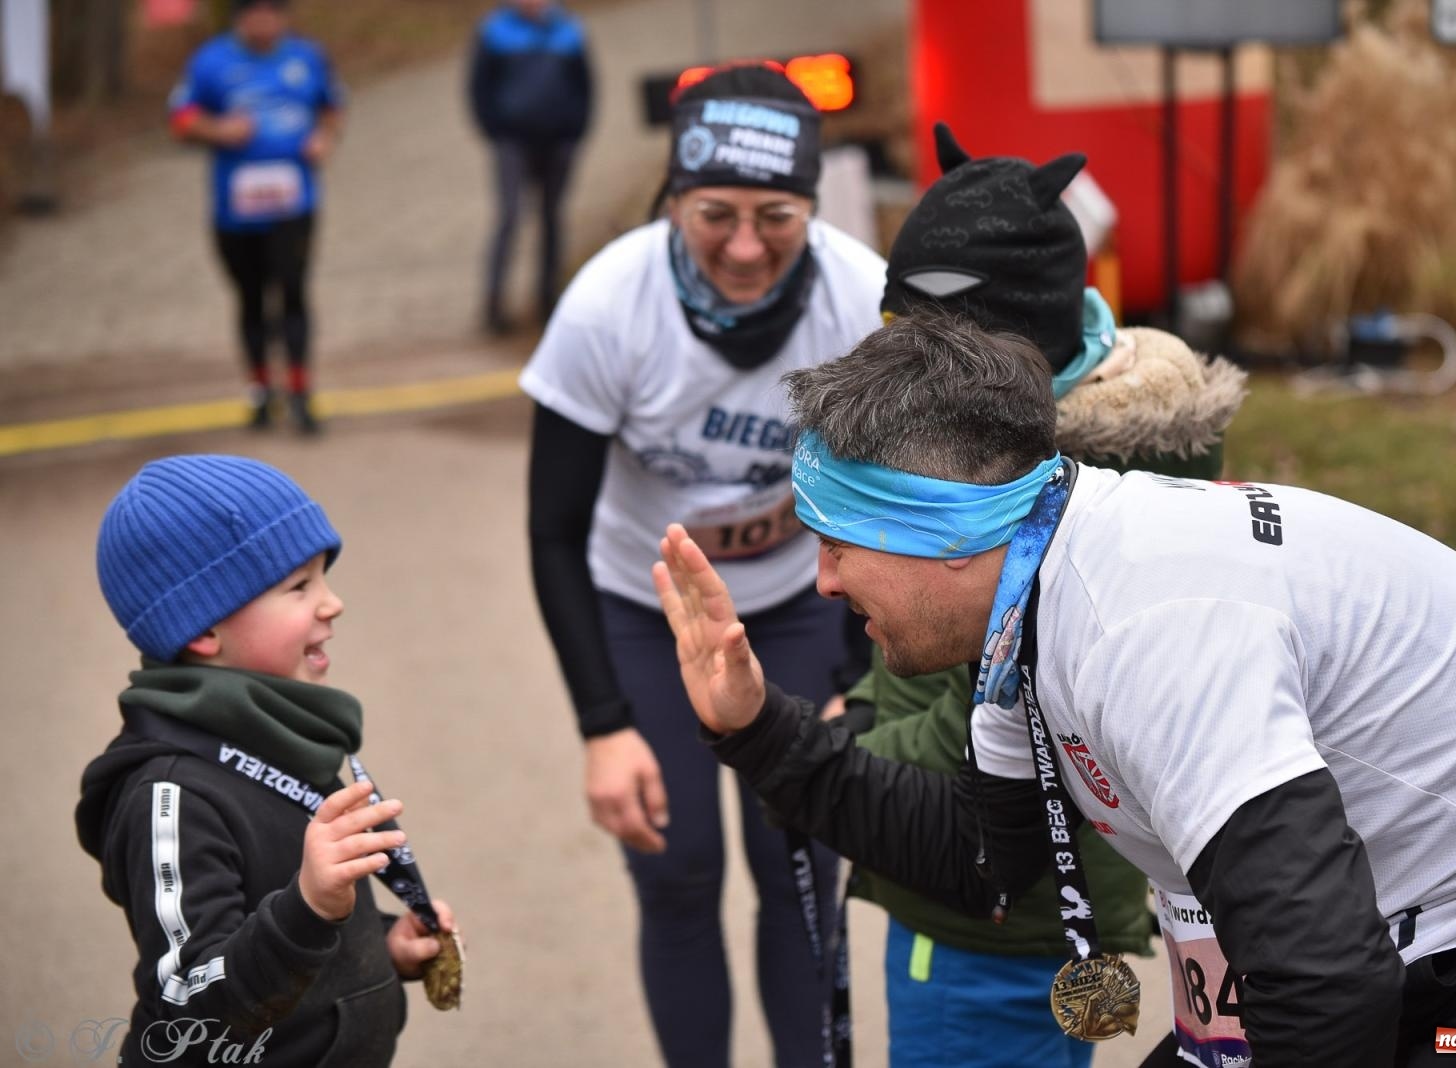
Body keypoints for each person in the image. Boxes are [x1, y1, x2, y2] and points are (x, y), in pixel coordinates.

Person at [654, 312, 1456, 1067]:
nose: (822, 582)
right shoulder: (1037, 579)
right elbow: (982, 855)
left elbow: (1326, 982)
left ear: (937, 535)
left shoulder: (1146, 631)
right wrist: (755, 729)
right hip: (1405, 938)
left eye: (838, 543)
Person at [834, 124, 1248, 1068]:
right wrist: (863, 699)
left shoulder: (1034, 494)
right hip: (1062, 911)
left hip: (984, 923)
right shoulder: (1065, 451)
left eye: (919, 333)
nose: (893, 355)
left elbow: (979, 719)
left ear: (1002, 341)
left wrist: (832, 759)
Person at [519, 63, 886, 1067]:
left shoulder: (857, 296)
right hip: (646, 613)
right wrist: (603, 728)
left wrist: (859, 677)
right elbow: (553, 530)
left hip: (797, 610)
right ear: (672, 200)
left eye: (776, 215)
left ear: (812, 204)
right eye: (713, 212)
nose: (742, 245)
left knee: (798, 866)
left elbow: (883, 502)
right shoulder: (607, 306)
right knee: (678, 870)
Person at [76, 454, 459, 1067]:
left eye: (323, 578)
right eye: (299, 586)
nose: (332, 603)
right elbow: (184, 997)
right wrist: (307, 909)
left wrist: (381, 943)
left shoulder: (276, 731)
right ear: (204, 631)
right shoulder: (169, 794)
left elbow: (284, 924)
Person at [169, 0, 344, 434]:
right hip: (236, 208)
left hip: (294, 201)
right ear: (239, 18)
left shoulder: (307, 57)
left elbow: (332, 107)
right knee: (250, 298)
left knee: (293, 293)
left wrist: (324, 138)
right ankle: (261, 392)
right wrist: (218, 130)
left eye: (273, 12)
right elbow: (181, 117)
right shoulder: (210, 61)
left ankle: (302, 394)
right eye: (254, 13)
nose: (264, 22)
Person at [468, 0, 593, 333]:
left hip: (558, 142)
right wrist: (495, 130)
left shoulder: (568, 30)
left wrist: (574, 131)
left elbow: (585, 86)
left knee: (552, 218)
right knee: (510, 217)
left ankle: (548, 298)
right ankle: (494, 303)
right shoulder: (495, 30)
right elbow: (478, 87)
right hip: (513, 142)